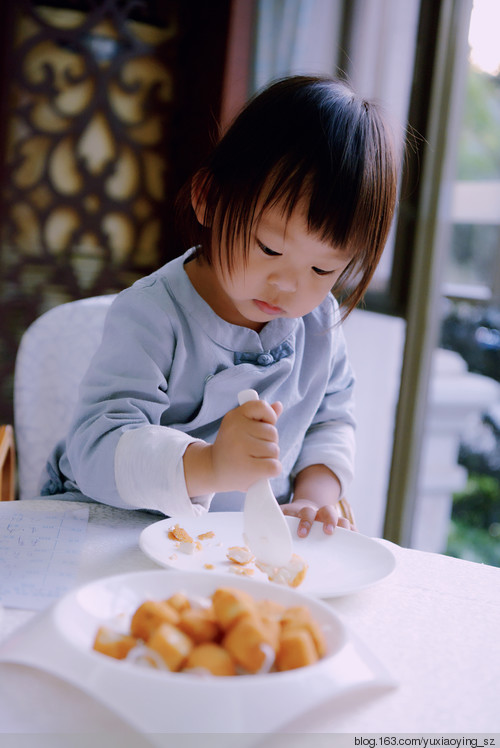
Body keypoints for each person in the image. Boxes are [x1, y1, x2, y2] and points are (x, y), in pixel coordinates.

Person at [40, 75, 399, 538]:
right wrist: (208, 464)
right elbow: (97, 448)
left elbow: (331, 421)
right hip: (109, 527)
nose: (288, 285)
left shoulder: (319, 324)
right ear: (208, 199)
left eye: (323, 271)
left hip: (228, 544)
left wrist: (314, 496)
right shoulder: (153, 316)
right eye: (269, 248)